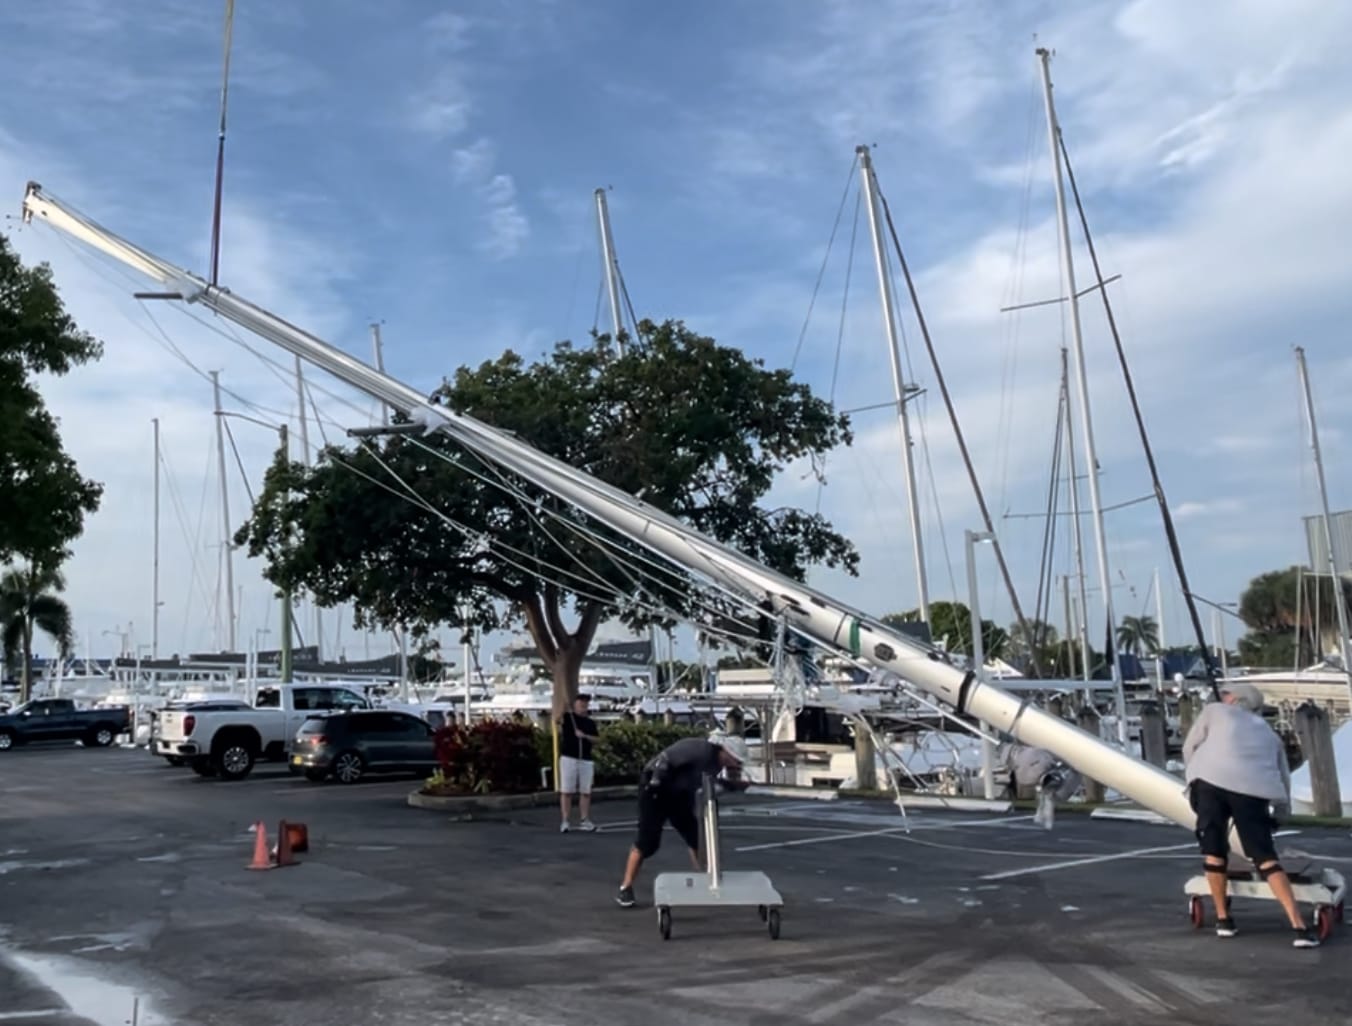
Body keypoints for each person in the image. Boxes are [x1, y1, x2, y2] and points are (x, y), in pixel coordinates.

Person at [1182, 681, 1319, 947]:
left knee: (1214, 851)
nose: (1222, 697)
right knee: (1265, 856)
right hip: (1253, 791)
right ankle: (1299, 927)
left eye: (1226, 694)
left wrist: (1193, 780)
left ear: (1235, 699)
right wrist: (1282, 810)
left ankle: (1223, 919)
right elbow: (1282, 774)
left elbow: (1190, 748)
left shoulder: (1214, 711)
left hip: (1210, 783)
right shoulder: (1269, 733)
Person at [615, 732, 751, 907]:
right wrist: (656, 780)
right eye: (736, 760)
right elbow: (665, 758)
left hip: (680, 794)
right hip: (656, 789)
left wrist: (732, 785)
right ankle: (625, 887)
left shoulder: (717, 764)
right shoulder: (700, 749)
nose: (737, 765)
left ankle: (707, 881)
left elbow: (707, 783)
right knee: (647, 841)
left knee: (695, 837)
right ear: (726, 752)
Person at [558, 693, 600, 833]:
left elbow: (597, 739)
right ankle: (565, 820)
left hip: (585, 759)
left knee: (585, 791)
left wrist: (585, 736)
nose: (583, 704)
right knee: (567, 791)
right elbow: (557, 716)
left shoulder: (590, 723)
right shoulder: (568, 718)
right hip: (569, 758)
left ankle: (584, 819)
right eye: (581, 702)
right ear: (575, 704)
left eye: (585, 703)